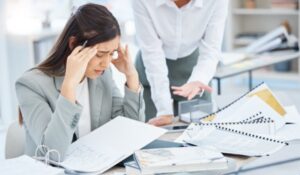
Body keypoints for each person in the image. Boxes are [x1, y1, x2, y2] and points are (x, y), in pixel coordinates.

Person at [15, 3, 145, 160]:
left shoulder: (102, 75)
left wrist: (131, 76)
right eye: (100, 54)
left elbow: (130, 132)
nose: (105, 63)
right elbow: (52, 153)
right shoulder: (30, 84)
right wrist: (69, 85)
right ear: (73, 45)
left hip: (95, 174)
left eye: (112, 54)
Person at [132, 0, 228, 126]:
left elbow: (211, 49)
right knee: (152, 133)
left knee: (199, 132)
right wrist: (164, 110)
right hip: (151, 74)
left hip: (193, 69)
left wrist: (199, 79)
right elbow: (152, 54)